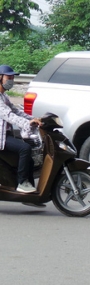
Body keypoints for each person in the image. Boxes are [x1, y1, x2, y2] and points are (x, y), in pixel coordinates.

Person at [0, 65, 42, 195]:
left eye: (12, 77)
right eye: (9, 77)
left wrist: (33, 118)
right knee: (25, 149)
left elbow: (17, 111)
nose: (11, 80)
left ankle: (30, 193)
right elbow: (9, 116)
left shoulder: (4, 97)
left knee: (29, 155)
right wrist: (27, 123)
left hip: (6, 135)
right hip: (1, 138)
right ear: (0, 78)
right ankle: (22, 183)